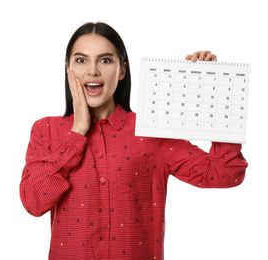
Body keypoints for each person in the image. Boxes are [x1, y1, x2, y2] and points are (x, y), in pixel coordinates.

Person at [20, 22, 248, 260]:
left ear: (122, 70)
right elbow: (33, 202)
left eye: (105, 60)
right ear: (68, 69)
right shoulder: (46, 130)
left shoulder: (151, 132)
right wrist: (77, 133)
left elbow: (226, 172)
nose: (93, 71)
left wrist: (220, 88)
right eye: (81, 60)